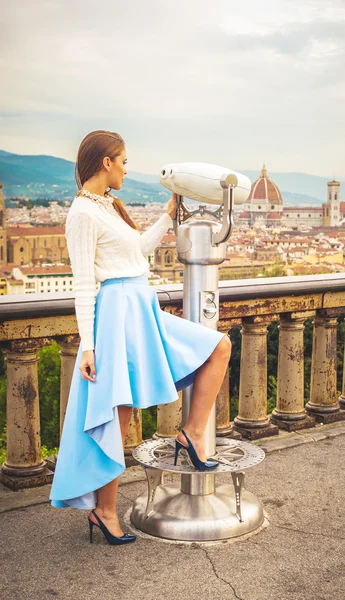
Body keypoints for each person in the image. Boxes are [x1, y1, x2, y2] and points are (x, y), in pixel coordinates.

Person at [49, 130, 232, 545]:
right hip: (115, 313)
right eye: (124, 161)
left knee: (218, 346)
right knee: (119, 413)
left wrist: (169, 213)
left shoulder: (110, 206)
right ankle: (105, 511)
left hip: (140, 307)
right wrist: (89, 346)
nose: (128, 169)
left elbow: (137, 253)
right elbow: (82, 284)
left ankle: (189, 434)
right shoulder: (81, 213)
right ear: (105, 163)